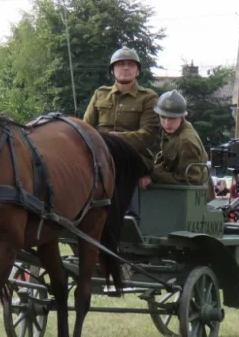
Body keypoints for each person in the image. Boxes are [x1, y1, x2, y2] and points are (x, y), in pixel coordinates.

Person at [83, 47, 160, 220]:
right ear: (113, 70)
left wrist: (118, 139)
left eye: (131, 65)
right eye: (120, 65)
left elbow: (148, 135)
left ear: (137, 70)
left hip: (134, 155)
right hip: (100, 153)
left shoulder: (148, 97)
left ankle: (128, 216)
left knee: (122, 164)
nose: (125, 68)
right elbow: (86, 127)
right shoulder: (100, 94)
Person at [143, 90, 212, 201]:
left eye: (171, 118)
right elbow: (166, 158)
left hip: (193, 199)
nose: (166, 123)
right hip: (180, 196)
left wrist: (154, 177)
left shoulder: (186, 141)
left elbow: (191, 179)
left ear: (181, 117)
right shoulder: (171, 130)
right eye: (163, 117)